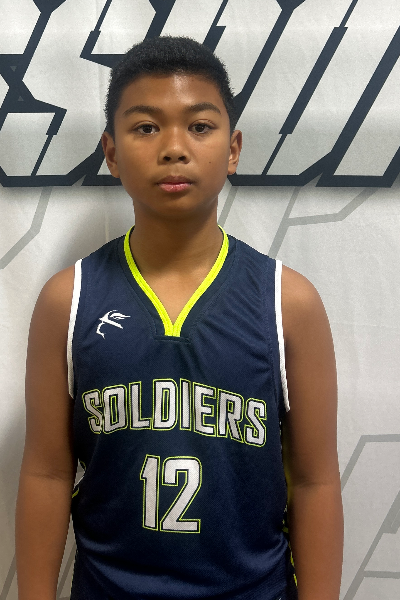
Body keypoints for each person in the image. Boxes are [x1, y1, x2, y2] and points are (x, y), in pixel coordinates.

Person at [16, 36, 343, 600]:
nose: (173, 148)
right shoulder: (67, 300)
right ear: (111, 152)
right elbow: (46, 473)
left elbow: (315, 482)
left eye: (199, 126)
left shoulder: (287, 302)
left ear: (233, 149)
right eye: (146, 127)